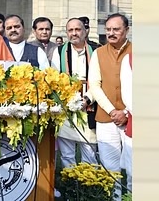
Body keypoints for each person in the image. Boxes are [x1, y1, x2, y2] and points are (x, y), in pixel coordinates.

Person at [88, 13, 132, 196]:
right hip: (107, 117)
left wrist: (127, 112)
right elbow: (95, 85)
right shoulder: (98, 53)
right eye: (108, 30)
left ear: (127, 30)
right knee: (109, 165)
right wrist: (113, 111)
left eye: (116, 29)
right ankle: (115, 197)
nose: (111, 33)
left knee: (134, 166)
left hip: (132, 118)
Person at [57, 18, 98, 168]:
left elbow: (99, 81)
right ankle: (70, 186)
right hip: (66, 107)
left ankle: (89, 187)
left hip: (89, 106)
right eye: (70, 30)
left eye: (78, 29)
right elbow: (54, 78)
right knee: (67, 154)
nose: (74, 33)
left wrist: (87, 99)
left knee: (89, 150)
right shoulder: (60, 51)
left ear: (85, 31)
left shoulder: (96, 50)